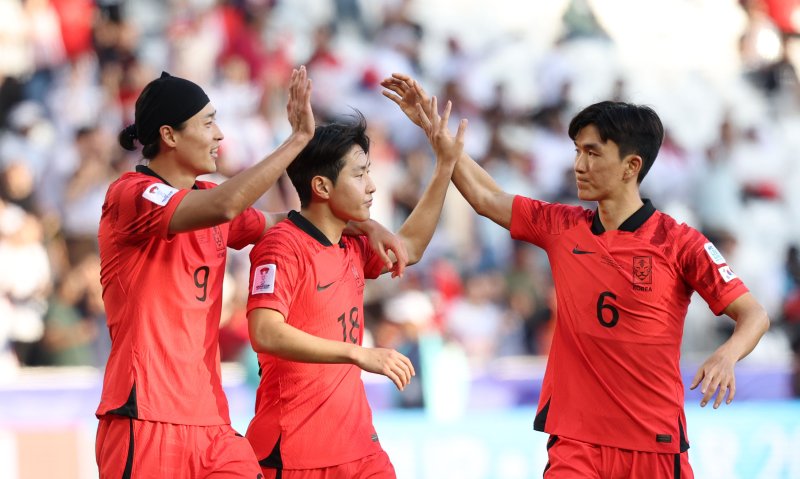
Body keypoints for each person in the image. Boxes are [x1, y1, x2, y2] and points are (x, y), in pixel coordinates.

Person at [381, 73, 771, 478]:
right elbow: (486, 198)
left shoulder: (679, 242)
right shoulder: (562, 226)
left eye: (592, 153)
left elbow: (754, 314)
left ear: (630, 166)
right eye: (576, 151)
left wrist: (727, 355)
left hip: (653, 442)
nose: (578, 165)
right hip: (576, 440)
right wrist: (433, 132)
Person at [95, 67, 407, 479]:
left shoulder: (208, 199)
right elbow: (226, 207)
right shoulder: (131, 195)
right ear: (170, 136)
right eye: (208, 123)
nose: (220, 135)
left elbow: (292, 221)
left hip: (212, 423)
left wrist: (366, 224)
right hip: (144, 414)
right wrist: (296, 141)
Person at [244, 100, 466, 478]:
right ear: (322, 186)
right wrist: (358, 354)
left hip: (360, 448)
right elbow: (264, 331)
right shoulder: (282, 246)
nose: (372, 185)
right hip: (296, 451)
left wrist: (444, 165)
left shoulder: (351, 244)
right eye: (360, 174)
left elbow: (407, 248)